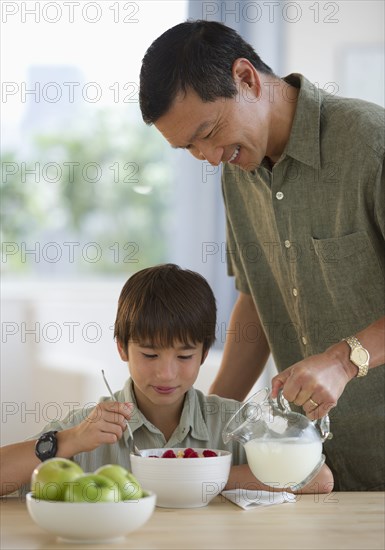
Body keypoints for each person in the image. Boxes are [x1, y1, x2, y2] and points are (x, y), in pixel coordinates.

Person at [139, 21, 385, 491]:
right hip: (315, 469)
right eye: (188, 147)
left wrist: (342, 360)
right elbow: (259, 299)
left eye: (208, 132)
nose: (208, 156)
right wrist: (202, 430)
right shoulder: (237, 173)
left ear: (246, 78)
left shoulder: (371, 145)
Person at [0, 264, 333, 497]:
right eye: (149, 354)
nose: (166, 374)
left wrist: (202, 479)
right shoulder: (90, 428)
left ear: (204, 354)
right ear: (121, 348)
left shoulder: (230, 420)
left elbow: (318, 480)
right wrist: (69, 440)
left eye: (184, 357)